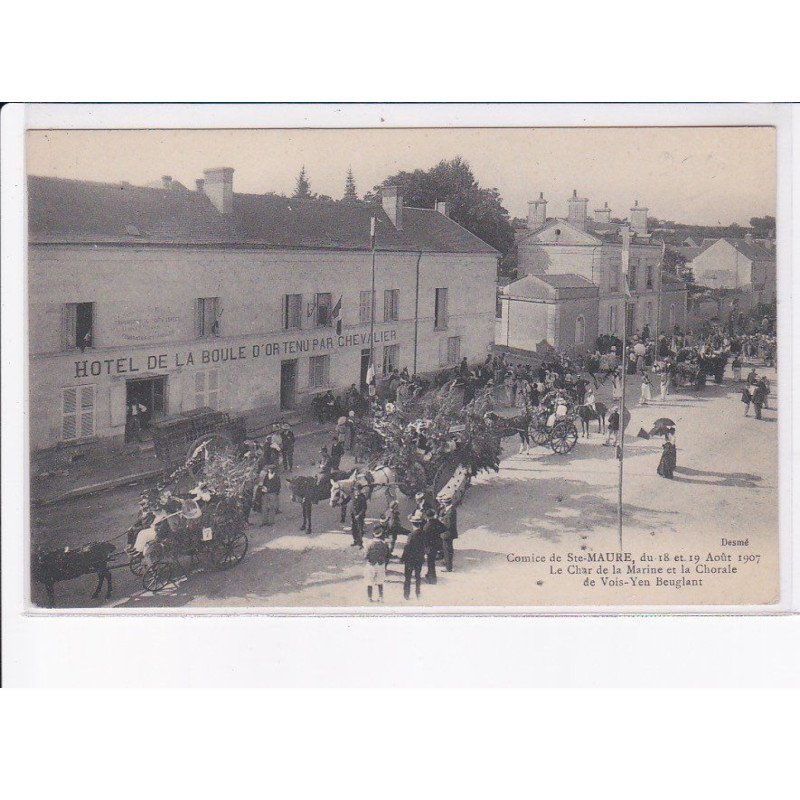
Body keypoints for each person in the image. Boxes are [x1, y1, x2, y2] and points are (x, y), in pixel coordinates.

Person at [401, 511, 427, 600]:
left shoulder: (411, 535)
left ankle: (406, 595)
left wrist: (403, 558)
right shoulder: (423, 533)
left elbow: (407, 547)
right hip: (419, 559)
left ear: (413, 524)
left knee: (407, 578)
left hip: (410, 560)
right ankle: (417, 593)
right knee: (418, 576)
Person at [364, 527, 389, 603]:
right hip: (381, 564)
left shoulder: (369, 543)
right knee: (380, 581)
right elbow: (387, 554)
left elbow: (366, 555)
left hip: (371, 564)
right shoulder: (384, 544)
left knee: (369, 581)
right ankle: (381, 597)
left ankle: (369, 598)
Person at [422, 508, 445, 584]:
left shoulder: (427, 526)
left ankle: (432, 579)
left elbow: (425, 538)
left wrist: (425, 547)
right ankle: (429, 575)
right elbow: (444, 528)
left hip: (430, 547)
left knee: (430, 563)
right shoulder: (437, 522)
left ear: (427, 516)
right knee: (431, 562)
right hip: (437, 545)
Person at [439, 502, 458, 572]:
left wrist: (442, 521)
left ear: (445, 502)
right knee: (446, 549)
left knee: (448, 550)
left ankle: (448, 568)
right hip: (447, 533)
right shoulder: (448, 509)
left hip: (448, 533)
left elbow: (449, 525)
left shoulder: (451, 511)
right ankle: (447, 562)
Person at [350, 484, 367, 548]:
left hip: (360, 516)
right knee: (353, 529)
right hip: (353, 515)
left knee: (360, 529)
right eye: (355, 490)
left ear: (360, 490)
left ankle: (360, 543)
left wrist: (359, 515)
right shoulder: (352, 496)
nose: (356, 491)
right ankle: (355, 541)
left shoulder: (362, 497)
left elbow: (364, 508)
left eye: (358, 490)